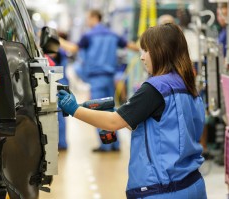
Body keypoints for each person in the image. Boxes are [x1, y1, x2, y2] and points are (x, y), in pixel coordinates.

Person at [57, 23, 207, 199]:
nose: (142, 57)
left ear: (160, 51)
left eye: (146, 51)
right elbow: (166, 127)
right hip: (193, 185)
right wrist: (125, 113)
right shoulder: (188, 85)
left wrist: (74, 109)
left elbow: (113, 122)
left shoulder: (155, 87)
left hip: (163, 190)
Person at [59, 9, 137, 152]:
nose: (88, 21)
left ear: (95, 17)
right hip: (110, 78)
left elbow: (73, 48)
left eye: (88, 18)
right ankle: (115, 145)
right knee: (111, 111)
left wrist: (57, 40)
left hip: (96, 78)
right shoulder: (112, 34)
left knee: (99, 111)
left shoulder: (88, 36)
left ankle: (105, 146)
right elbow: (131, 46)